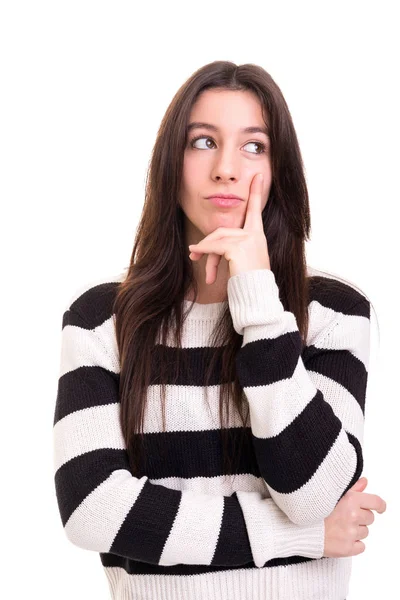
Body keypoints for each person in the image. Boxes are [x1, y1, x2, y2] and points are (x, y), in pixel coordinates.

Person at [52, 60, 387, 600]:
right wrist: (299, 537)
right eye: (203, 142)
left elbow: (315, 494)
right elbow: (94, 510)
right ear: (171, 161)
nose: (227, 169)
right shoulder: (101, 318)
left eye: (254, 145)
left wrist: (257, 297)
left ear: (280, 168)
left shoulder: (333, 311)